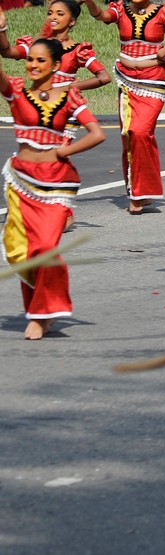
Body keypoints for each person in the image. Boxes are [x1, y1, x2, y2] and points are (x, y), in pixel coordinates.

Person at [1, 39, 105, 340]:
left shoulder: (69, 96)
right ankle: (42, 308)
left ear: (56, 65)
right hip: (21, 182)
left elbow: (96, 133)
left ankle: (43, 314)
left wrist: (63, 152)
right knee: (20, 251)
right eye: (30, 60)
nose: (32, 65)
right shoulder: (17, 90)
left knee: (45, 248)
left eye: (40, 60)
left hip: (56, 185)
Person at [82, 0, 165, 214]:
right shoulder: (120, 10)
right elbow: (103, 16)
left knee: (140, 132)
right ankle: (139, 192)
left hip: (154, 81)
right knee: (129, 135)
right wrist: (90, 2)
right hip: (126, 80)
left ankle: (143, 190)